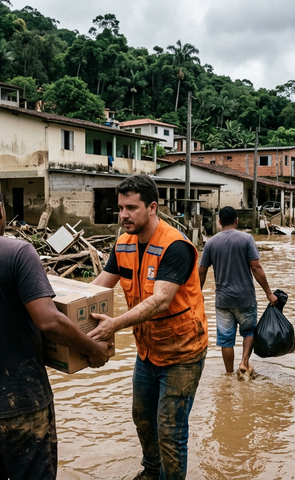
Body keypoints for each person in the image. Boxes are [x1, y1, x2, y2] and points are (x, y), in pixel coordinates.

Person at [0, 179, 112, 480]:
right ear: (0, 210)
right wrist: (93, 349)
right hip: (22, 401)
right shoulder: (18, 252)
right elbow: (49, 321)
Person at [88, 174, 208, 480]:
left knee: (170, 429)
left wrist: (113, 325)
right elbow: (99, 287)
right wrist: (64, 306)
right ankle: (152, 472)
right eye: (121, 208)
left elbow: (160, 301)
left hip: (183, 351)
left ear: (152, 208)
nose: (124, 215)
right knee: (142, 418)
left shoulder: (175, 246)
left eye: (131, 208)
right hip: (148, 350)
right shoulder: (123, 244)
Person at [198, 206, 277, 377]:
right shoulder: (246, 239)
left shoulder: (211, 243)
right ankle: (244, 363)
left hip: (223, 300)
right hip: (245, 298)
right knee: (249, 332)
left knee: (226, 340)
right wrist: (269, 293)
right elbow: (256, 267)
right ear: (237, 221)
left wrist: (197, 294)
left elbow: (202, 271)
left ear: (219, 222)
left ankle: (228, 374)